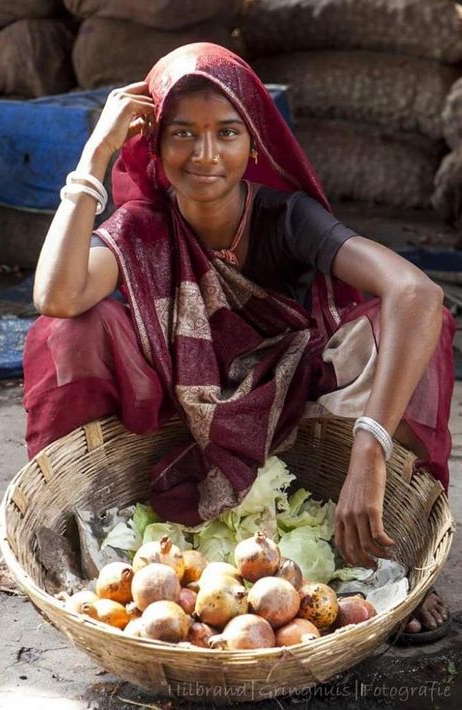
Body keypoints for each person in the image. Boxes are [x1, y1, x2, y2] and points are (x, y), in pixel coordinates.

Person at [24, 43, 454, 642]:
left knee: (399, 332)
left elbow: (418, 294)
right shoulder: (143, 227)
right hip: (184, 412)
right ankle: (68, 531)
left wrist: (369, 449)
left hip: (288, 404)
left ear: (254, 145)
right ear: (153, 142)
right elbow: (57, 295)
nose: (205, 155)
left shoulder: (286, 218)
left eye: (226, 133)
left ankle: (394, 545)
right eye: (182, 134)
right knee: (71, 332)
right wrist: (95, 156)